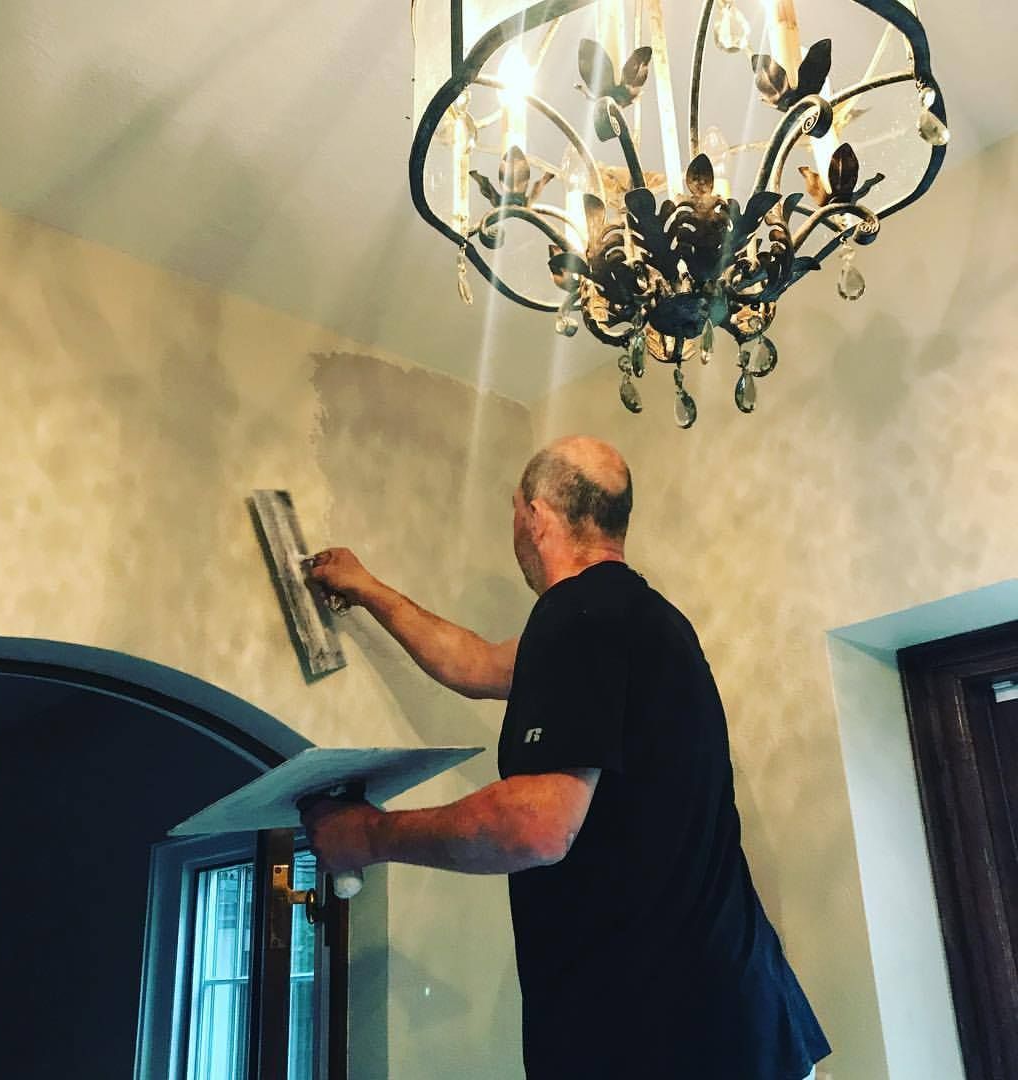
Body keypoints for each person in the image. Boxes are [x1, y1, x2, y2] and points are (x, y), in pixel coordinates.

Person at [303, 435, 831, 1080]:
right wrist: (367, 588)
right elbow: (473, 664)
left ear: (534, 515)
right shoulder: (642, 619)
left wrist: (365, 835)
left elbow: (534, 825)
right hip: (738, 1023)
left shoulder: (578, 616)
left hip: (662, 1041)